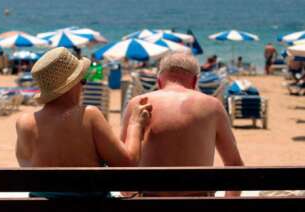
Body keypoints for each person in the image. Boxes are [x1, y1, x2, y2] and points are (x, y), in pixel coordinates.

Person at [15, 47, 152, 198]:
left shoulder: (24, 123)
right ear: (73, 84)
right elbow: (128, 166)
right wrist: (136, 125)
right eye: (83, 80)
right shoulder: (88, 115)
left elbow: (27, 167)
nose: (84, 86)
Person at [122, 52, 244, 197]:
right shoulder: (213, 106)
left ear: (159, 81)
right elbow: (235, 166)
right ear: (194, 82)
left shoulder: (138, 104)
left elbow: (122, 165)